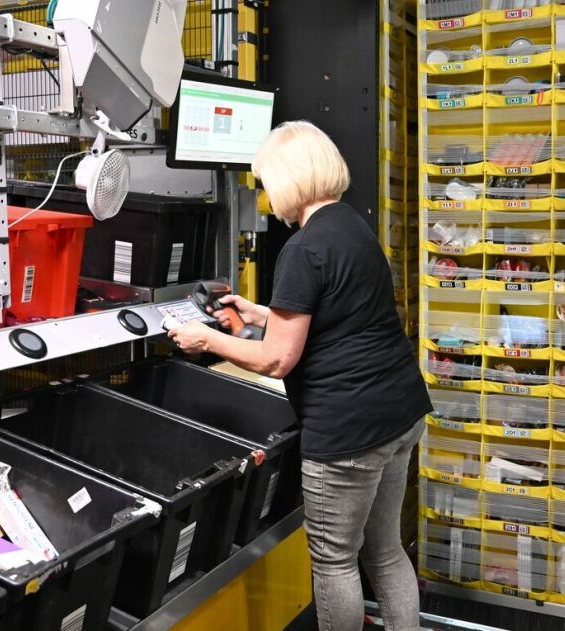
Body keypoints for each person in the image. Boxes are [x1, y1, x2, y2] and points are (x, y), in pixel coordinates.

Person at [167, 120, 432, 631]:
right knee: (384, 551)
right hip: (400, 414)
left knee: (335, 562)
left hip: (350, 433)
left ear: (288, 178)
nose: (266, 196)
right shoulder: (350, 225)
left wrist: (206, 340)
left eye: (266, 183)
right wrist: (260, 311)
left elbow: (275, 361)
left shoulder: (302, 248)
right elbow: (335, 312)